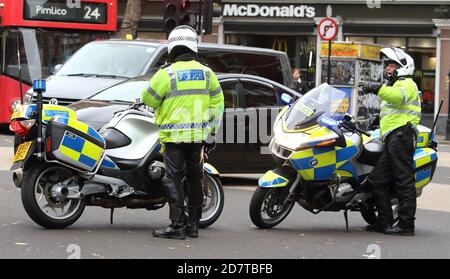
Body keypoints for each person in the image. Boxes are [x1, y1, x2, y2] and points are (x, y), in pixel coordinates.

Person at [141, 25, 224, 240]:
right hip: (198, 138)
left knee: (172, 178)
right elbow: (218, 104)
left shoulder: (166, 73)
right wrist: (212, 132)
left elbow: (148, 99)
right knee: (195, 177)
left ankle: (177, 225)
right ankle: (193, 226)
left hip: (174, 137)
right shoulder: (207, 73)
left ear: (172, 48)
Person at [364, 47, 421, 236]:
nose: (388, 68)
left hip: (402, 136)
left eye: (392, 65)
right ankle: (385, 222)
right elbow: (393, 110)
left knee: (403, 182)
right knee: (376, 180)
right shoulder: (394, 85)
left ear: (403, 67)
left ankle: (406, 226)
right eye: (387, 65)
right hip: (392, 137)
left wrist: (378, 88)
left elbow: (398, 99)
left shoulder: (406, 83)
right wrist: (377, 120)